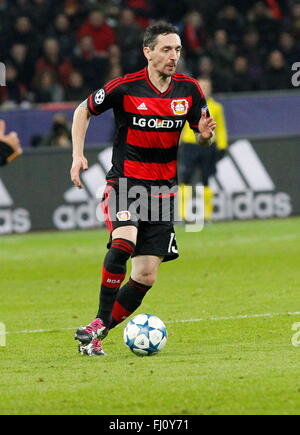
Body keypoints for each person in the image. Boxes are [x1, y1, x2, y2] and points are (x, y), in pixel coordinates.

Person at [70, 22, 216, 356]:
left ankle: (96, 334)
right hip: (126, 184)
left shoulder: (189, 90)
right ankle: (98, 321)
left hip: (163, 194)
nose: (173, 56)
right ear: (147, 52)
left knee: (146, 276)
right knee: (123, 242)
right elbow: (83, 110)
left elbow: (201, 135)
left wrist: (205, 135)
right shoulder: (125, 87)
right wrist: (78, 155)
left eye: (177, 49)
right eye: (166, 49)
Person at [179, 78, 228, 222]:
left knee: (206, 179)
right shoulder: (187, 105)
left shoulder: (216, 107)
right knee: (185, 178)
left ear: (210, 89)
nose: (204, 90)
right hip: (189, 144)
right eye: (201, 87)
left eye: (206, 87)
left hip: (208, 145)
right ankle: (183, 215)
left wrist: (222, 145)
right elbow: (180, 125)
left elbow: (220, 127)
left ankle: (206, 216)